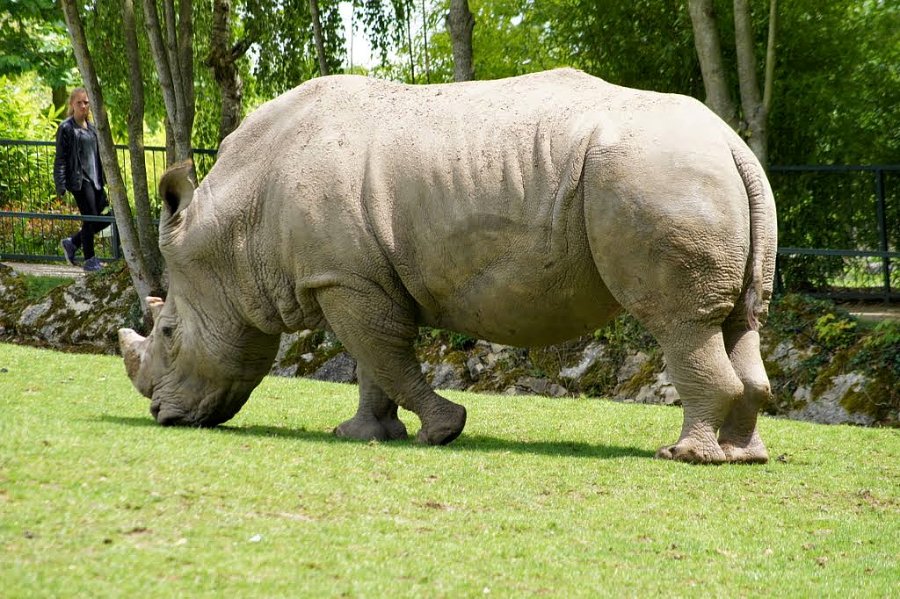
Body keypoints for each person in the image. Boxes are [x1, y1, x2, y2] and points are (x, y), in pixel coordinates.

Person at [54, 87, 110, 272]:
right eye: (79, 102)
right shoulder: (66, 128)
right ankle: (89, 260)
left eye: (86, 102)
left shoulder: (93, 128)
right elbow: (61, 158)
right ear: (72, 104)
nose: (84, 106)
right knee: (90, 218)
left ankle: (73, 242)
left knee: (108, 217)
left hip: (96, 179)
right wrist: (61, 184)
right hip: (79, 180)